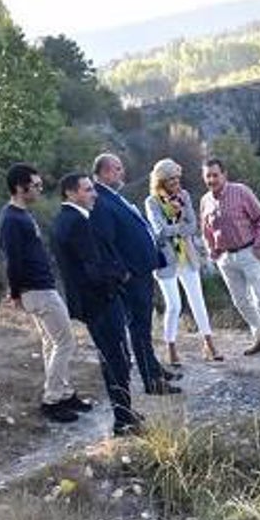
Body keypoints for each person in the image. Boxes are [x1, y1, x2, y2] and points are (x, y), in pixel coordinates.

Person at [0, 162, 92, 424]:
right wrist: (15, 292)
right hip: (37, 290)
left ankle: (64, 393)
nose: (40, 190)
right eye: (35, 185)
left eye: (40, 185)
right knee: (65, 342)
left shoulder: (22, 214)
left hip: (40, 287)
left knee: (52, 343)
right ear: (19, 187)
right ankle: (52, 400)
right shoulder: (12, 219)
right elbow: (12, 260)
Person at [51, 173, 141, 437]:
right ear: (70, 193)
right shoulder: (76, 222)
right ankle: (123, 420)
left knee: (111, 357)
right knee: (117, 359)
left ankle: (124, 413)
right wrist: (120, 276)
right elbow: (93, 268)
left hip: (90, 303)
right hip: (100, 301)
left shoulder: (62, 220)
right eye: (88, 190)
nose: (95, 194)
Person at [89, 152, 182, 395]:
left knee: (144, 326)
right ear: (105, 172)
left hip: (142, 270)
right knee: (139, 328)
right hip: (132, 276)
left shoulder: (113, 197)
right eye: (117, 168)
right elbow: (106, 244)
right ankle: (152, 382)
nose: (122, 172)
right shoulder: (100, 200)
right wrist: (124, 273)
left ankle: (153, 367)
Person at [199, 157, 260, 360]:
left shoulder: (241, 191)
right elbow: (205, 230)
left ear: (224, 174)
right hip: (226, 259)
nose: (212, 179)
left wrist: (259, 243)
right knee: (240, 301)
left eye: (215, 175)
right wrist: (212, 249)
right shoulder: (205, 201)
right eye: (208, 176)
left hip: (249, 252)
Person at [144, 158, 223, 366]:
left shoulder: (184, 196)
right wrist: (179, 226)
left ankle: (209, 343)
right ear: (161, 181)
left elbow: (193, 225)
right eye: (171, 179)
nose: (176, 183)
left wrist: (174, 228)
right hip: (166, 259)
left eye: (178, 178)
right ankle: (170, 347)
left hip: (187, 255)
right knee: (174, 306)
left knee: (198, 300)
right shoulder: (152, 202)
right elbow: (159, 231)